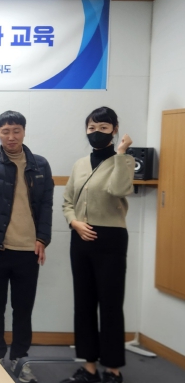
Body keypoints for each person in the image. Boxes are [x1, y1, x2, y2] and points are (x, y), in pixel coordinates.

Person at [0, 110, 53, 383]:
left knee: (23, 309)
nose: (11, 136)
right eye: (5, 132)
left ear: (24, 132)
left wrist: (42, 239)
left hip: (28, 250)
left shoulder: (40, 164)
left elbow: (46, 205)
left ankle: (20, 358)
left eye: (16, 130)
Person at [61, 107, 134, 383]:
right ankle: (89, 367)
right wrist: (74, 223)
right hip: (80, 237)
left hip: (111, 238)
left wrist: (122, 154)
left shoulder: (122, 161)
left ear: (114, 130)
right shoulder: (80, 164)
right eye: (92, 128)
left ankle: (113, 369)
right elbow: (67, 201)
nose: (96, 133)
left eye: (103, 128)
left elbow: (119, 190)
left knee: (111, 304)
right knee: (84, 303)